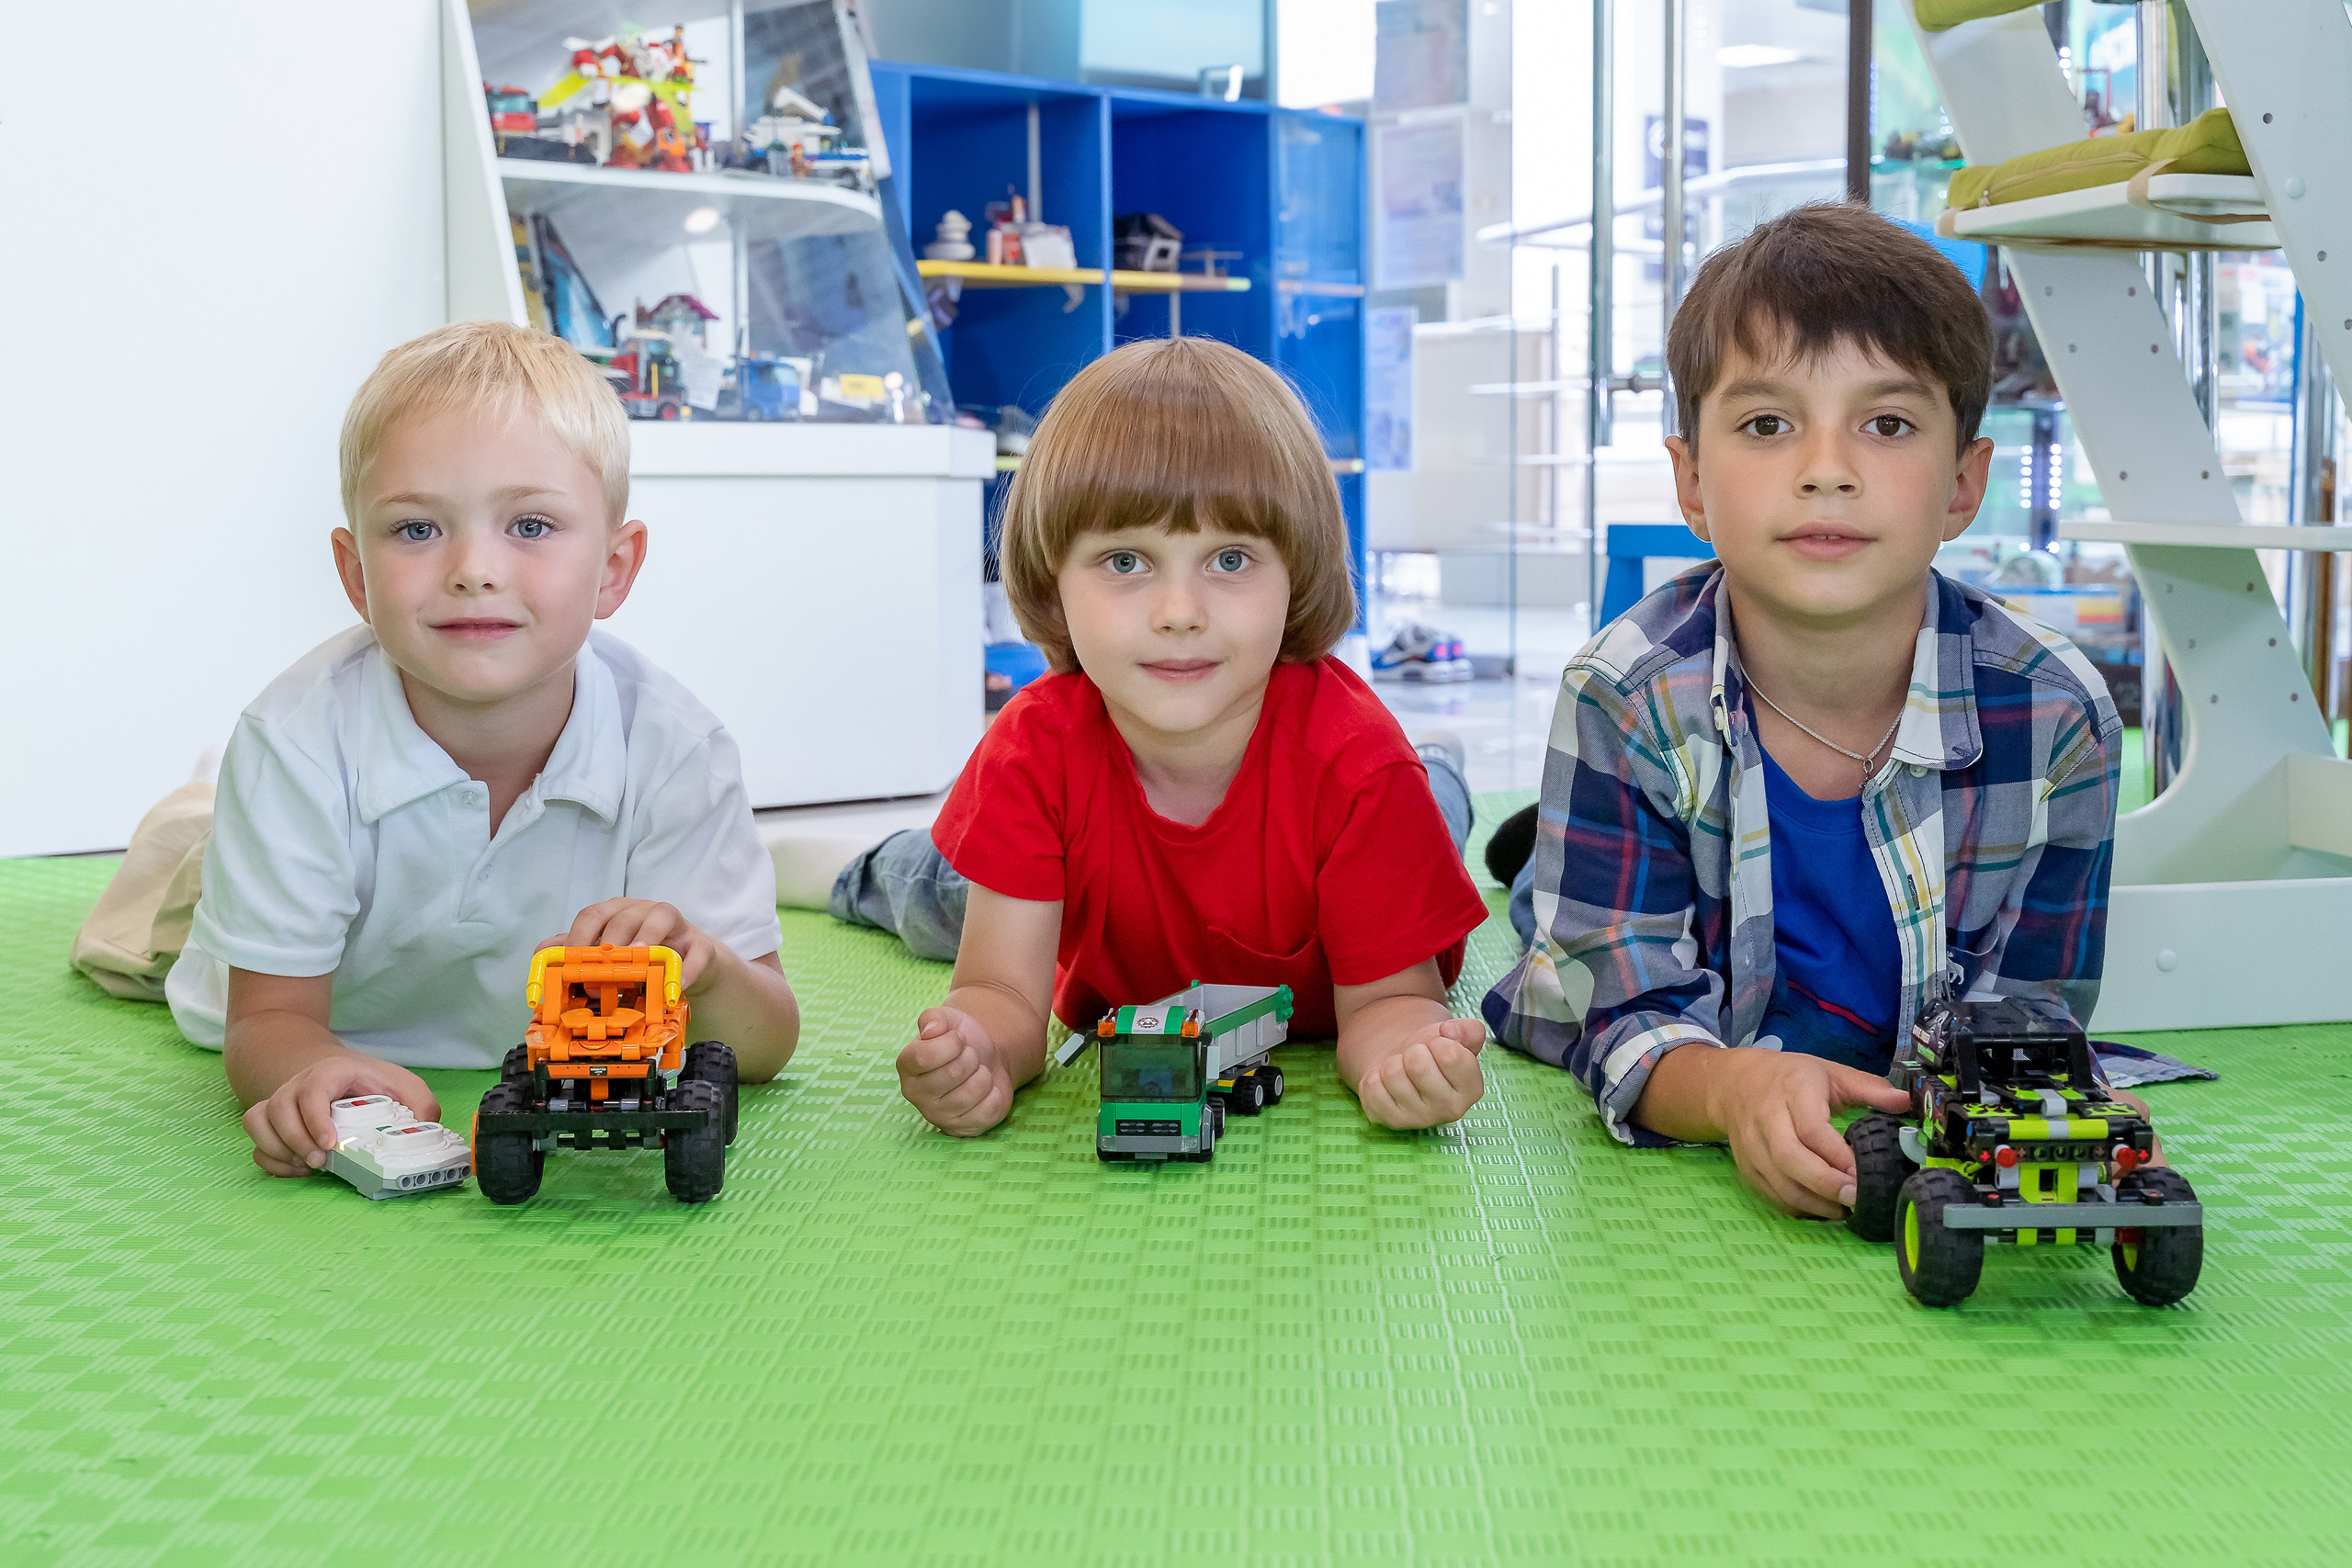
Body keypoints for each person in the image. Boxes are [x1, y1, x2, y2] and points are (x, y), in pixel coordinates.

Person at [1482, 203, 2122, 1218]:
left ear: (1962, 485)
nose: (1826, 469)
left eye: (1887, 423)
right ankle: (1549, 862)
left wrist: (2052, 1118)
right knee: (1550, 963)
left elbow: (2031, 1015)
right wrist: (1732, 1091)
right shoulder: (1623, 692)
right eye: (1768, 425)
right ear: (1692, 482)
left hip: (1889, 1037)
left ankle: (1560, 849)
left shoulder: (2055, 719)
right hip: (1678, 935)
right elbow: (1620, 1012)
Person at [808, 336, 1492, 1135]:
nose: (1178, 610)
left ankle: (1442, 762)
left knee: (1429, 799)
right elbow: (1003, 998)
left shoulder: (1364, 770)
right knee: (929, 894)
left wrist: (1404, 1056)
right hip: (1083, 898)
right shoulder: (1035, 749)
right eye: (1126, 559)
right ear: (1050, 581)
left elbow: (1387, 1002)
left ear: (1297, 575)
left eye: (1230, 559)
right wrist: (978, 1048)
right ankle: (845, 866)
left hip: (1379, 804)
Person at [168, 321, 800, 1178]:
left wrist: (710, 968)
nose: (474, 567)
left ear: (615, 568)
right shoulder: (293, 745)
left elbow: (766, 1042)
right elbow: (261, 1020)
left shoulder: (677, 749)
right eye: (417, 530)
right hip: (263, 952)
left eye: (531, 525)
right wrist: (311, 1071)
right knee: (152, 909)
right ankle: (193, 817)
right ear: (355, 576)